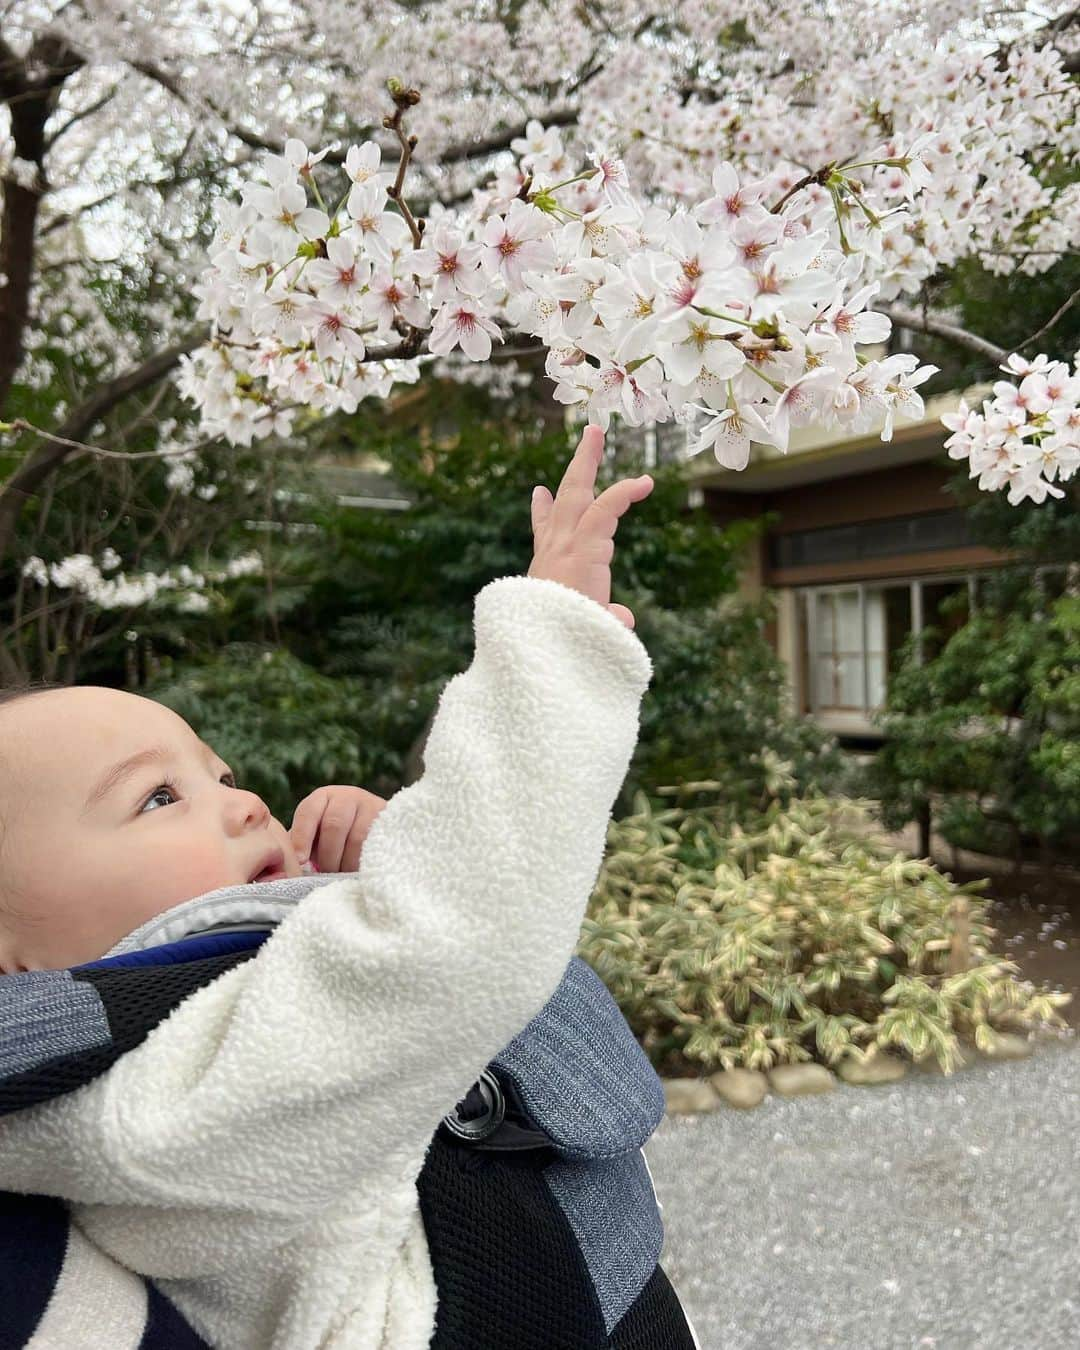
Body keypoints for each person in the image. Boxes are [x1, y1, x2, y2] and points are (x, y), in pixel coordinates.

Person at [0, 426, 701, 1348]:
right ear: (16, 961)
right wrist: (553, 643)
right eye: (158, 796)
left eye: (218, 773)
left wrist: (352, 888)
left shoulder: (163, 1048)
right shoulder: (147, 1091)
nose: (245, 804)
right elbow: (464, 935)